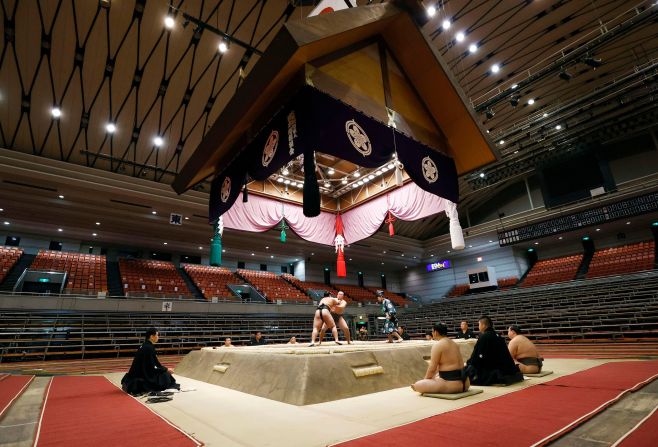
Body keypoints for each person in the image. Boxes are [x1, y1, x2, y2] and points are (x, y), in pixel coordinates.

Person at [411, 322, 470, 394]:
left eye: (432, 331)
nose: (432, 333)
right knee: (437, 375)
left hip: (452, 385)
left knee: (418, 385)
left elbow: (432, 368)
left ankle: (423, 384)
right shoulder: (454, 343)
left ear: (436, 332)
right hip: (466, 382)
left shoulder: (438, 345)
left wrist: (425, 381)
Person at [465, 316, 523, 385]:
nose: (479, 327)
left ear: (483, 325)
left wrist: (468, 364)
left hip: (492, 371)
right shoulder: (499, 336)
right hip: (505, 370)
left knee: (468, 369)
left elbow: (475, 358)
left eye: (479, 324)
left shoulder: (483, 337)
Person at [121, 328, 179, 395]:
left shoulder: (144, 345)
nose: (158, 337)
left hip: (137, 374)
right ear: (151, 336)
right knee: (165, 375)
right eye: (157, 335)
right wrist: (166, 369)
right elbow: (154, 366)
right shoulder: (149, 348)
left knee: (164, 373)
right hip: (144, 375)